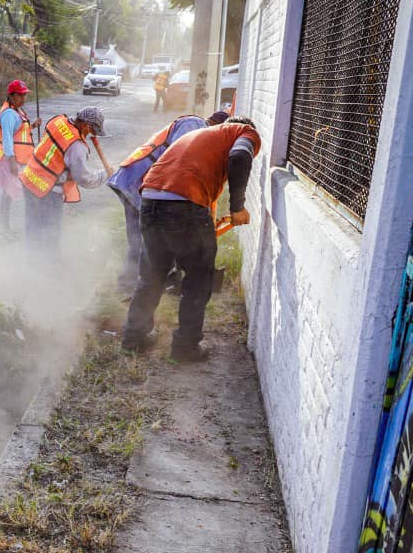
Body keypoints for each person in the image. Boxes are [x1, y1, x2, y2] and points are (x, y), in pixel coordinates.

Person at [120, 116, 262, 363]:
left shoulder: (200, 136)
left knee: (152, 275)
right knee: (198, 279)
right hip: (183, 204)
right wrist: (238, 207)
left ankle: (133, 340)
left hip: (151, 200)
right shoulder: (244, 132)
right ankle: (185, 348)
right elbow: (240, 157)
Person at [106, 110, 229, 292]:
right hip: (138, 181)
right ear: (217, 127)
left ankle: (151, 281)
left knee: (149, 237)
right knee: (145, 239)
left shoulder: (197, 128)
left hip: (139, 182)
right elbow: (180, 159)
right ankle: (130, 286)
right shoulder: (194, 125)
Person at [18, 106, 112, 251]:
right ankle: (49, 264)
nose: (92, 135)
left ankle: (31, 258)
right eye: (93, 131)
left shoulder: (58, 121)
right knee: (51, 231)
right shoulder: (76, 146)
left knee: (33, 224)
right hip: (47, 190)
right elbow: (84, 178)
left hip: (29, 177)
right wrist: (105, 174)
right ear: (86, 125)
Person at [0, 79, 38, 236]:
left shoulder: (16, 111)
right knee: (8, 193)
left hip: (16, 159)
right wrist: (11, 161)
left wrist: (32, 126)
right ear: (11, 95)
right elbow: (8, 139)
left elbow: (19, 131)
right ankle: (2, 228)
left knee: (8, 194)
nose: (23, 99)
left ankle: (3, 227)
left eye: (25, 95)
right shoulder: (9, 114)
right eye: (20, 96)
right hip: (10, 159)